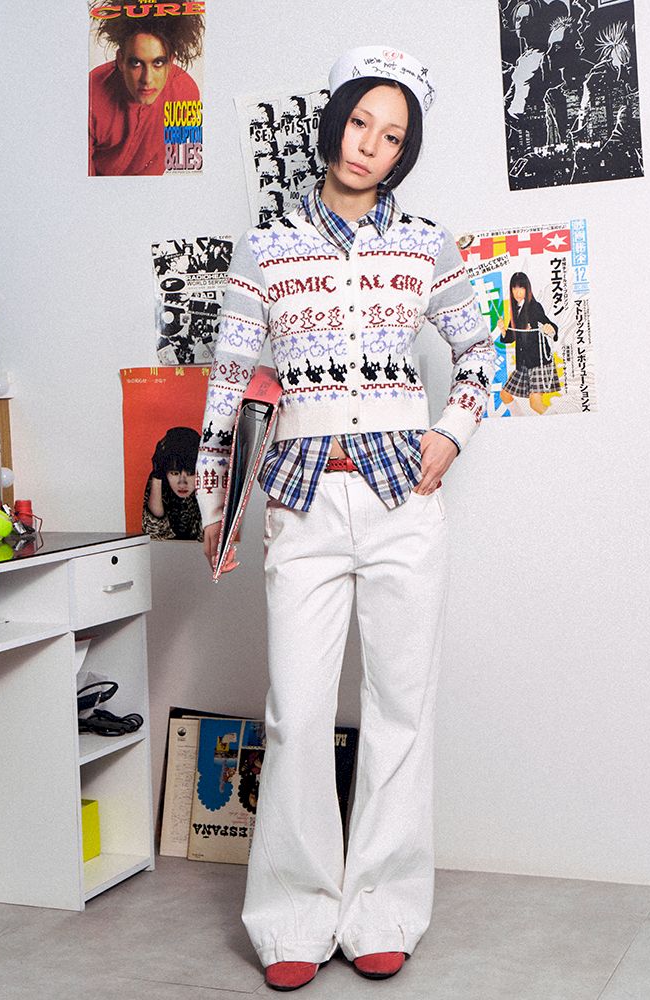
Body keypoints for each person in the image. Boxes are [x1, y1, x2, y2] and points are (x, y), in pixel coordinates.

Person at [196, 45, 494, 992]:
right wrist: (215, 502)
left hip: (404, 502)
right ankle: (292, 916)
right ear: (334, 123)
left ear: (406, 152)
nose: (371, 146)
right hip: (303, 503)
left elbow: (483, 354)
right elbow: (231, 384)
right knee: (295, 712)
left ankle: (382, 911)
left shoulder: (428, 245)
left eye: (393, 136)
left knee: (402, 710)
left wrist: (449, 434)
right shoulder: (266, 248)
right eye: (361, 122)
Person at [88, 7, 203, 176]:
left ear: (171, 61)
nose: (147, 79)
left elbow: (170, 165)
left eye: (158, 63)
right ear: (120, 60)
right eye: (136, 63)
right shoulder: (91, 96)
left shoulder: (186, 93)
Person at [498, 271, 561, 413]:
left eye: (521, 288)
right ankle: (519, 418)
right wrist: (503, 330)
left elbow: (549, 325)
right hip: (523, 363)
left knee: (535, 403)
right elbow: (511, 337)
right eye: (514, 288)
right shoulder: (516, 309)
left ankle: (557, 421)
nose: (517, 292)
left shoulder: (534, 306)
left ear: (527, 289)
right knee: (505, 395)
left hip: (538, 362)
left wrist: (550, 329)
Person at [142, 426, 202, 540]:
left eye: (190, 473)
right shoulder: (158, 480)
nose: (182, 483)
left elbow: (209, 538)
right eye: (174, 473)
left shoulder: (210, 482)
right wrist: (157, 475)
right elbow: (154, 534)